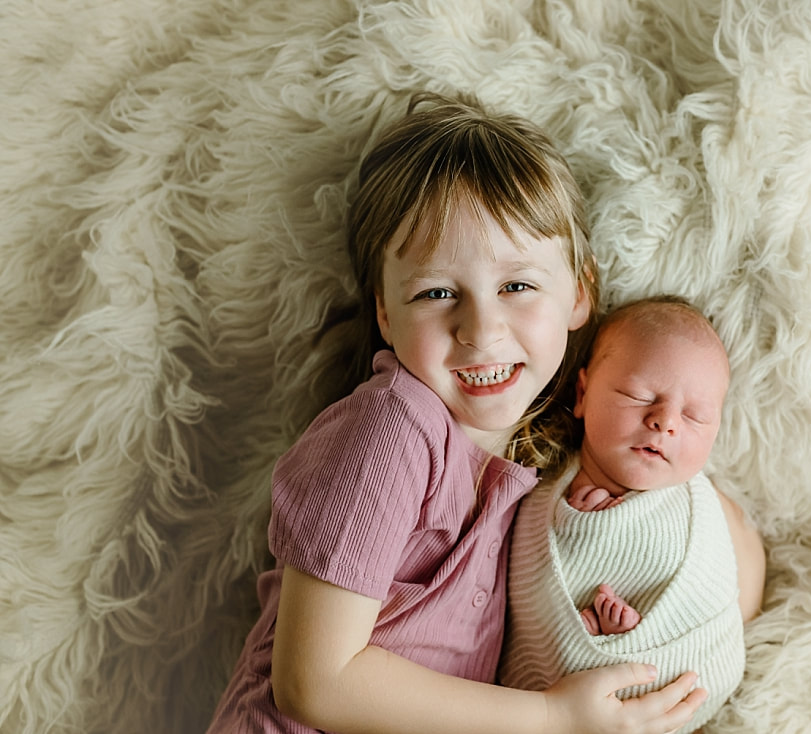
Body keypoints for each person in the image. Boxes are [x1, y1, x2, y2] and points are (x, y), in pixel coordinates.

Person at [205, 93, 707, 734]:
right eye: (437, 292)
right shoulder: (388, 434)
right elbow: (315, 682)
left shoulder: (536, 454)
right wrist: (553, 716)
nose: (481, 329)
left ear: (579, 292)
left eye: (517, 286)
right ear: (386, 314)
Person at [500, 296, 766, 733]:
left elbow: (736, 595)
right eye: (640, 396)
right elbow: (521, 587)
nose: (665, 422)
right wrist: (580, 530)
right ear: (583, 394)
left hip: (684, 695)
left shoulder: (704, 501)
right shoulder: (537, 487)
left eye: (696, 416)